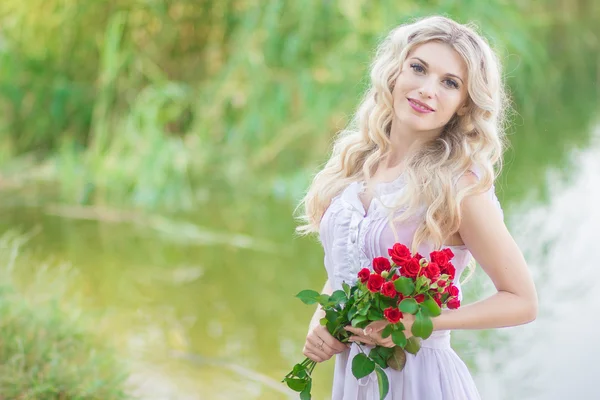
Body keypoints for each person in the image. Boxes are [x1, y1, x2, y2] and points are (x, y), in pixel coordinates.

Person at [293, 15, 538, 400]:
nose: (427, 90)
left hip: (422, 381)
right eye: (418, 68)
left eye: (449, 83)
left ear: (463, 104)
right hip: (354, 379)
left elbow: (522, 301)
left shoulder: (460, 185)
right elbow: (347, 264)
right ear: (395, 71)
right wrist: (321, 319)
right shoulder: (355, 163)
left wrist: (420, 322)